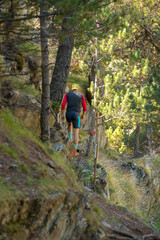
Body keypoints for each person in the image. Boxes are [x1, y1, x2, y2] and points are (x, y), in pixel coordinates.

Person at [61, 84, 87, 155]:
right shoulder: (81, 95)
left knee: (69, 124)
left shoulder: (67, 94)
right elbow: (85, 107)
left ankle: (69, 139)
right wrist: (83, 115)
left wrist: (62, 115)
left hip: (68, 113)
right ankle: (74, 150)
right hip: (76, 115)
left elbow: (63, 105)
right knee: (76, 133)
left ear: (71, 89)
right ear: (77, 89)